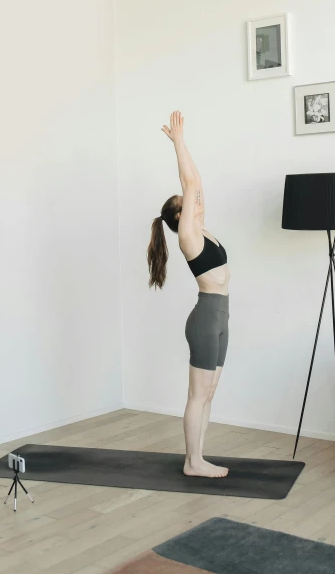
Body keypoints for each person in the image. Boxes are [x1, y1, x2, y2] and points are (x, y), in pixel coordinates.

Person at [147, 111, 230, 478]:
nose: (197, 197)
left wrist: (184, 147)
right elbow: (191, 180)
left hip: (220, 317)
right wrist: (178, 143)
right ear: (180, 216)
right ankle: (191, 462)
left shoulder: (202, 228)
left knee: (208, 393)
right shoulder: (188, 237)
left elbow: (197, 182)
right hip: (205, 319)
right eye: (190, 199)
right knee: (197, 395)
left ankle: (199, 456)